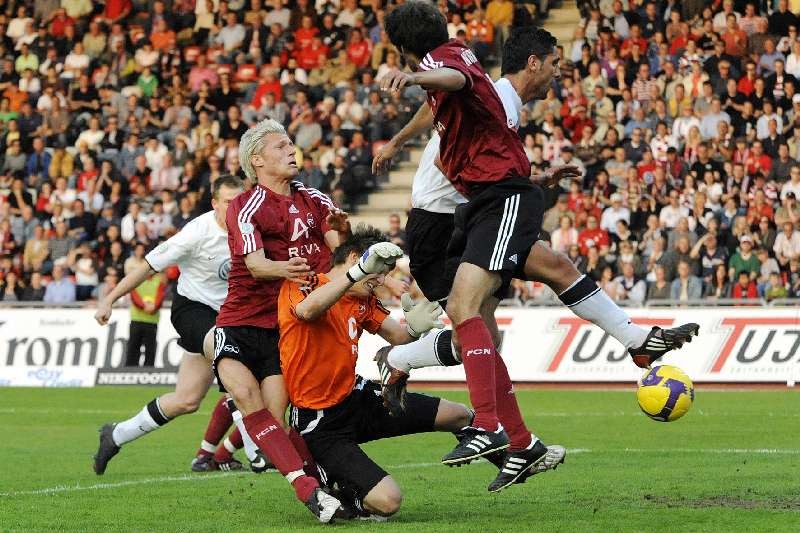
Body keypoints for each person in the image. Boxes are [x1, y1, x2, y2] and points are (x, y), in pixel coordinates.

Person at [377, 18, 699, 490]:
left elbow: (450, 112)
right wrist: (410, 118)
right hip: (445, 222)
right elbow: (448, 119)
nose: (559, 73)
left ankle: (524, 437)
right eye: (554, 64)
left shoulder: (485, 91)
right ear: (533, 63)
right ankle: (413, 366)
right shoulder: (493, 90)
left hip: (471, 212)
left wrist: (523, 178)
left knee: (539, 280)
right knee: (476, 329)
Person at [208, 119, 351, 523]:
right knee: (246, 396)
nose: (292, 150)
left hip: (285, 328)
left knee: (273, 421)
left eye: (291, 144)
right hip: (239, 322)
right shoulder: (246, 204)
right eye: (281, 145)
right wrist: (286, 268)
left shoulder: (314, 198)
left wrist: (344, 233)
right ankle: (311, 492)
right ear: (257, 160)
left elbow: (341, 255)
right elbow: (255, 266)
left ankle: (323, 482)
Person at [280, 227, 475, 519]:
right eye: (379, 272)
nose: (382, 280)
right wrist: (356, 275)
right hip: (320, 422)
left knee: (458, 414)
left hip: (357, 398)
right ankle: (339, 489)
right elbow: (308, 311)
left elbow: (398, 337)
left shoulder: (363, 299)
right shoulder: (305, 283)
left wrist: (413, 329)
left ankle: (510, 456)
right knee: (388, 502)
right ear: (355, 259)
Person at [92, 176, 265, 476]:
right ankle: (256, 449)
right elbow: (147, 267)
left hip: (229, 315)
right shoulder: (196, 233)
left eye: (240, 201)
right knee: (229, 355)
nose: (236, 207)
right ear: (214, 204)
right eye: (228, 202)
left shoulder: (252, 228)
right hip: (193, 311)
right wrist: (109, 299)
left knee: (186, 400)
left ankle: (116, 435)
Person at [124, 269, 166, 367]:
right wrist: (146, 306)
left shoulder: (159, 282)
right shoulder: (137, 281)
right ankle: (131, 369)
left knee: (149, 348)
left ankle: (148, 370)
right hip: (138, 319)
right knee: (133, 346)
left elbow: (160, 296)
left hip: (150, 320)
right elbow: (134, 296)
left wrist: (152, 307)